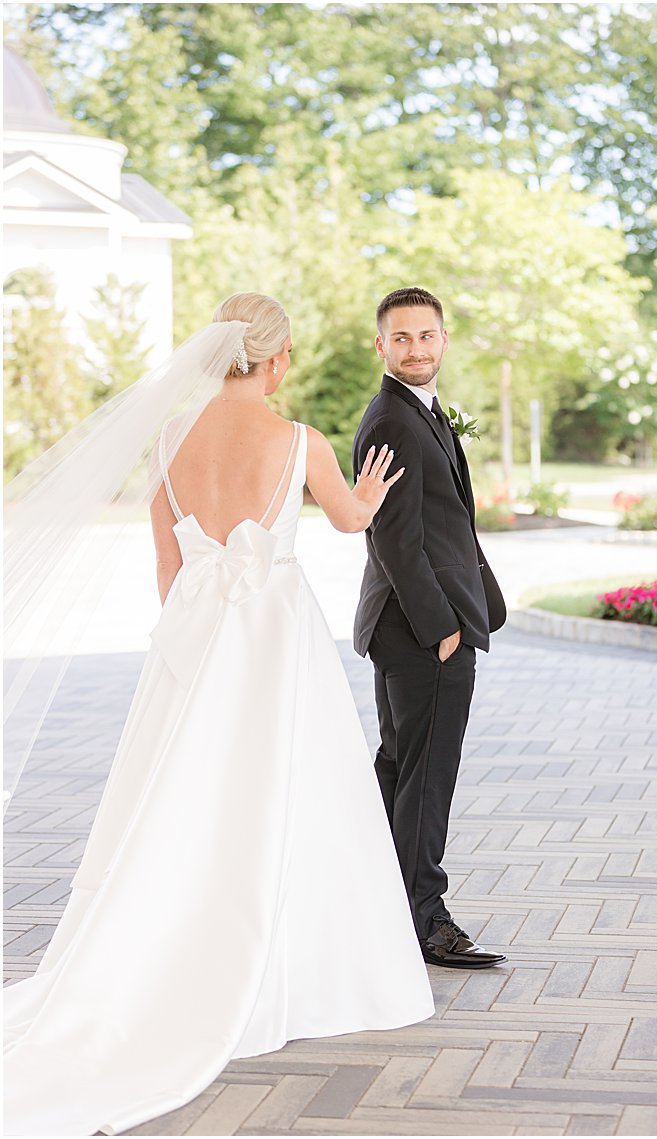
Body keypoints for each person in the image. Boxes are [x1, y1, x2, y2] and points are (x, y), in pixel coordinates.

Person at [3, 293, 435, 1136]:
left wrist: (194, 635)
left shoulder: (168, 440)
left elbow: (167, 569)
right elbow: (348, 520)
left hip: (195, 635)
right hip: (275, 638)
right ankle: (288, 955)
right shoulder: (298, 439)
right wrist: (372, 488)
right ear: (276, 361)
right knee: (289, 789)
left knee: (178, 797)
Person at [352, 286, 508, 970]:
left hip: (406, 628)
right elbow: (394, 537)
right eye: (401, 337)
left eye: (426, 335)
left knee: (400, 770)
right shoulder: (391, 420)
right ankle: (427, 920)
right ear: (381, 345)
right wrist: (443, 627)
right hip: (423, 630)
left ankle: (382, 907)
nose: (415, 347)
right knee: (425, 777)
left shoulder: (420, 412)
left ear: (443, 339)